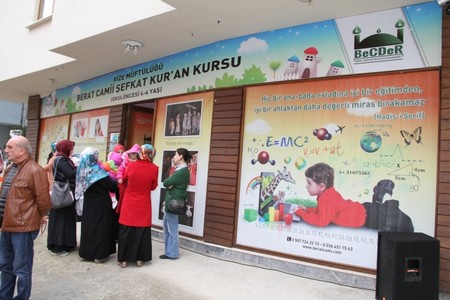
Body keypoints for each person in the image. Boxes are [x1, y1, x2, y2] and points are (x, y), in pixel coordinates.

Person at [0, 136, 51, 300]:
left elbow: (44, 201)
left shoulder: (36, 170)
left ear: (21, 150)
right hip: (6, 226)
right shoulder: (10, 168)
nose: (6, 150)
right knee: (6, 266)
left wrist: (40, 215)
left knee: (21, 269)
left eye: (9, 147)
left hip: (23, 228)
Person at [117, 144, 158, 268]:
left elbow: (123, 179)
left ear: (141, 153)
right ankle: (140, 259)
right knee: (142, 230)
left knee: (126, 229)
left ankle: (123, 260)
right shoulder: (155, 168)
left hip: (129, 201)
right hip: (144, 201)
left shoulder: (131, 166)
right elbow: (153, 186)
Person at [75, 147, 119, 263]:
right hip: (101, 203)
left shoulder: (82, 169)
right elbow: (111, 186)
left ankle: (85, 253)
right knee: (100, 228)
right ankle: (99, 255)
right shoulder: (96, 171)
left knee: (88, 227)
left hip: (89, 203)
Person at [294, 162, 366, 228]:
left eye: (309, 183)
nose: (306, 186)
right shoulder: (327, 193)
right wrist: (307, 209)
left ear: (321, 186)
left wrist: (302, 214)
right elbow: (322, 210)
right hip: (359, 209)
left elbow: (321, 221)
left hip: (362, 216)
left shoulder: (328, 198)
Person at [47, 140, 77, 256]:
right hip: (63, 193)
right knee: (61, 220)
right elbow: (71, 174)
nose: (72, 150)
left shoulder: (60, 159)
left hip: (63, 193)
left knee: (64, 218)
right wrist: (80, 167)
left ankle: (65, 243)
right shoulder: (62, 160)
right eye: (71, 148)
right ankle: (58, 246)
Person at [160, 148, 191, 260]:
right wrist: (170, 184)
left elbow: (166, 182)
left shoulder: (181, 171)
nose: (173, 157)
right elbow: (169, 184)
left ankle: (172, 253)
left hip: (173, 203)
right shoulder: (180, 170)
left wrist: (170, 184)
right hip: (170, 202)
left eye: (175, 155)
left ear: (181, 156)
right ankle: (168, 251)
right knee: (166, 227)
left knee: (172, 229)